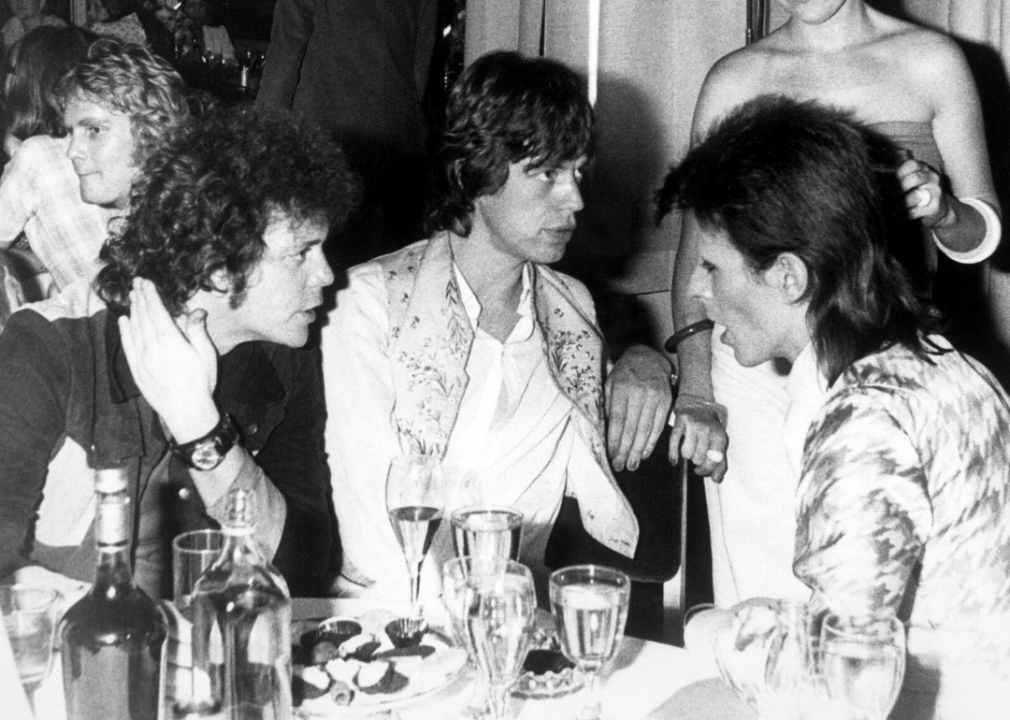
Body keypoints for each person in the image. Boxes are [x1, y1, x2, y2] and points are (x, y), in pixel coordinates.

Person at [660, 94, 1010, 719]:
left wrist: (717, 631)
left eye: (711, 267)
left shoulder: (864, 420)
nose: (693, 290)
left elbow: (840, 690)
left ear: (789, 277)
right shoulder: (947, 364)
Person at [668, 0, 1002, 607]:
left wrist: (945, 210)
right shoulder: (734, 79)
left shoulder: (931, 61)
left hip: (879, 355)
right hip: (756, 365)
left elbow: (984, 238)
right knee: (763, 597)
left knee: (877, 596)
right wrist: (696, 391)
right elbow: (699, 263)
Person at [324, 50, 674, 603]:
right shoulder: (368, 303)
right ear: (475, 172)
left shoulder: (572, 310)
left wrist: (648, 361)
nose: (576, 199)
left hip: (517, 620)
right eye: (547, 175)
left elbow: (611, 399)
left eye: (578, 172)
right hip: (390, 618)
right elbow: (375, 523)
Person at [0, 104, 359, 601]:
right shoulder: (51, 349)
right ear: (217, 267)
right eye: (301, 252)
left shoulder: (283, 360)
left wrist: (200, 428)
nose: (326, 275)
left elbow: (300, 569)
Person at [0, 37, 190, 300]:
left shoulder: (189, 218)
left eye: (94, 130)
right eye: (70, 131)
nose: (71, 151)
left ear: (151, 133)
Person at [258, 0, 438, 265]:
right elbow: (422, 56)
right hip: (398, 145)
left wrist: (260, 133)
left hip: (327, 140)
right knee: (384, 268)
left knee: (325, 267)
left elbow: (287, 46)